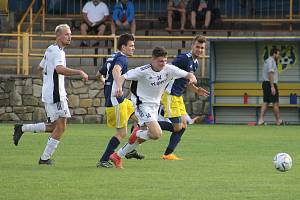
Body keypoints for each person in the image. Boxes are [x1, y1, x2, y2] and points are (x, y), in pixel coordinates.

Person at [109, 46, 197, 169]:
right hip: (142, 105)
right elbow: (123, 76)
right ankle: (137, 132)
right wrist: (119, 87)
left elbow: (188, 75)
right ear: (153, 59)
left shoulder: (169, 69)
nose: (163, 64)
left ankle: (117, 155)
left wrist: (192, 78)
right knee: (156, 134)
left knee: (142, 138)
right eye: (160, 61)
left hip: (154, 106)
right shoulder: (142, 70)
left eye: (165, 61)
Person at [13, 24, 89, 165]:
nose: (69, 37)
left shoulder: (50, 49)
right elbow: (59, 69)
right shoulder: (58, 52)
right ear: (58, 36)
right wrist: (79, 72)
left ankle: (22, 128)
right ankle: (44, 158)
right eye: (66, 34)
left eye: (70, 34)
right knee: (61, 127)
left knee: (54, 126)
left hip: (49, 93)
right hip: (56, 94)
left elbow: (40, 67)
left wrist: (47, 82)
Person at [95, 33, 144, 169]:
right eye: (131, 46)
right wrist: (117, 86)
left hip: (121, 100)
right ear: (123, 47)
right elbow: (116, 70)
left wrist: (106, 82)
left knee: (141, 120)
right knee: (121, 133)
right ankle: (104, 160)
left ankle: (130, 149)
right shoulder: (122, 58)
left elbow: (98, 74)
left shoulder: (113, 57)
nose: (133, 48)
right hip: (115, 100)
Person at [159, 35, 209, 160]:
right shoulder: (184, 58)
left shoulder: (195, 62)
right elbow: (166, 69)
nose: (199, 50)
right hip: (170, 94)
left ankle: (168, 154)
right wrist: (159, 90)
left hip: (177, 96)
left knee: (183, 125)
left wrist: (197, 90)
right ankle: (144, 125)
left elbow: (187, 81)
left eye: (202, 48)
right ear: (192, 46)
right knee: (177, 127)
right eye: (197, 47)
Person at [258, 47, 284, 126]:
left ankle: (261, 120)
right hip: (270, 84)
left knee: (266, 102)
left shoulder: (266, 60)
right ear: (274, 53)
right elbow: (270, 74)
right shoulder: (271, 61)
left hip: (265, 83)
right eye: (278, 54)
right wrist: (272, 86)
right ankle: (278, 121)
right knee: (275, 103)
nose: (278, 56)